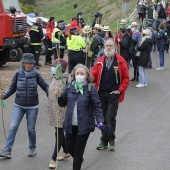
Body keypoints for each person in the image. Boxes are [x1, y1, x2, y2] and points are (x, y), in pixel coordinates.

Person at [0, 53, 49, 158]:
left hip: (32, 107)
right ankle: (7, 150)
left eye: (32, 63)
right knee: (13, 127)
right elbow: (12, 89)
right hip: (19, 106)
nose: (31, 65)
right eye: (29, 63)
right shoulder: (18, 74)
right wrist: (3, 96)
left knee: (31, 129)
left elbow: (45, 86)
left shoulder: (37, 75)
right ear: (23, 63)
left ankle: (32, 148)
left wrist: (51, 96)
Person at [56, 64, 104, 170]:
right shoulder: (69, 87)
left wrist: (100, 121)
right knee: (68, 147)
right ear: (74, 75)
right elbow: (62, 103)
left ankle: (77, 163)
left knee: (78, 150)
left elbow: (97, 106)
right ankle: (79, 158)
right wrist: (59, 96)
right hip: (69, 125)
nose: (79, 75)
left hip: (84, 126)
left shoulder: (91, 88)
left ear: (86, 76)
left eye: (82, 73)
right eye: (77, 73)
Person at [91, 39, 129, 151]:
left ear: (115, 47)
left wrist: (119, 90)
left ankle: (111, 139)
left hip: (114, 94)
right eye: (106, 46)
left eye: (110, 46)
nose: (108, 48)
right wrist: (84, 77)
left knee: (110, 117)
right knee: (102, 118)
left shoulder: (121, 61)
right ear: (104, 47)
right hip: (101, 93)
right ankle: (104, 140)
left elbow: (126, 78)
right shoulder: (99, 61)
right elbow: (93, 75)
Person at [48, 59, 70, 169]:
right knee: (58, 131)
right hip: (53, 110)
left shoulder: (66, 79)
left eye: (54, 66)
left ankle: (53, 158)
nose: (52, 68)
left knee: (59, 133)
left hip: (62, 110)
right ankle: (66, 151)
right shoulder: (53, 77)